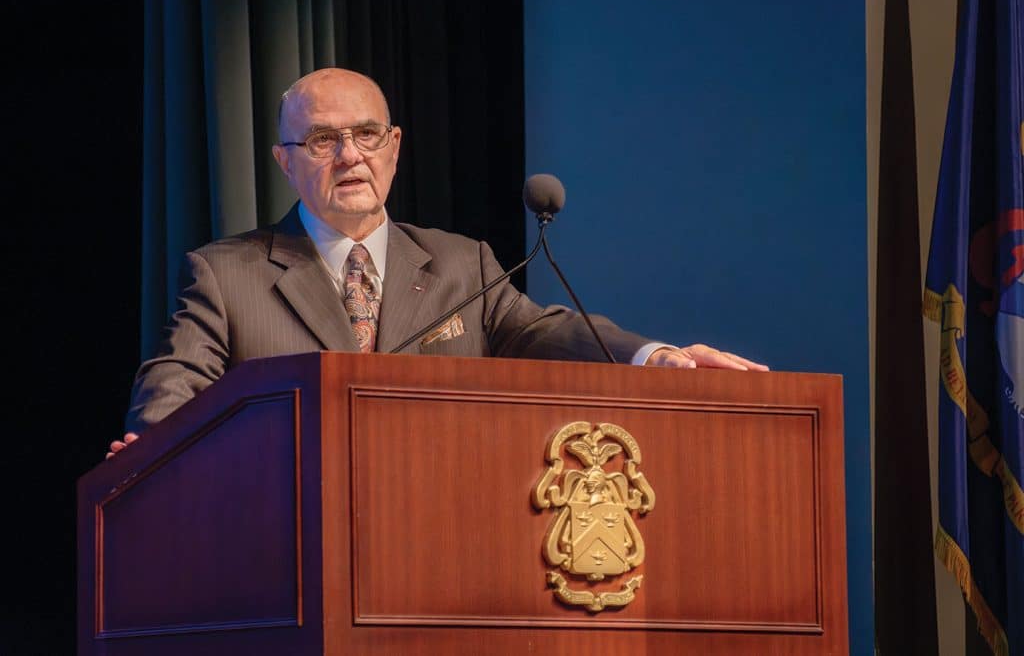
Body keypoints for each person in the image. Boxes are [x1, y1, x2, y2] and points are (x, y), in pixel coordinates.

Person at [108, 68, 767, 459]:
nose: (350, 156)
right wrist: (151, 455)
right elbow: (177, 380)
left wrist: (656, 356)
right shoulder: (227, 273)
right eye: (322, 139)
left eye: (367, 135)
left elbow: (546, 330)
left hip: (446, 528)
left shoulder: (463, 262)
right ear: (285, 160)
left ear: (393, 147)